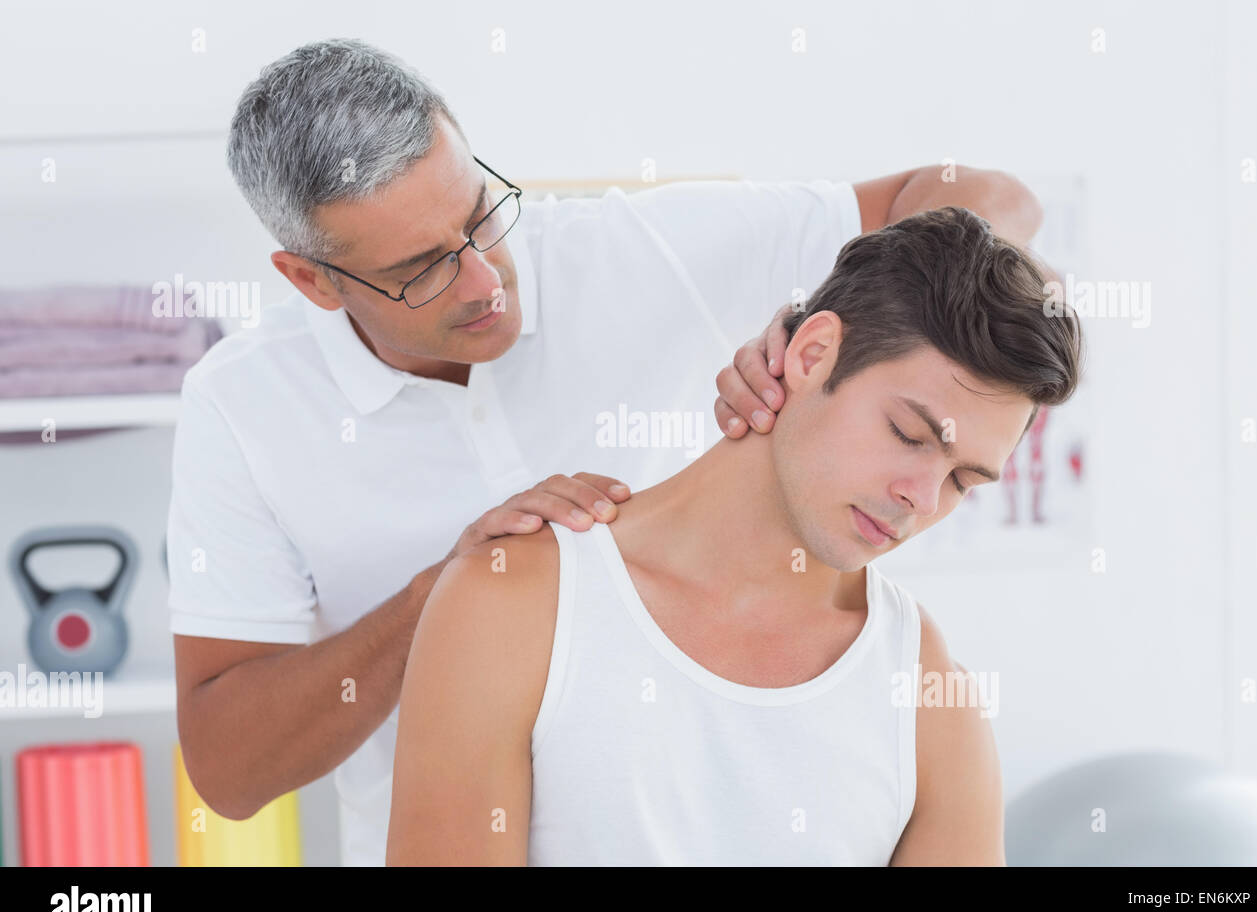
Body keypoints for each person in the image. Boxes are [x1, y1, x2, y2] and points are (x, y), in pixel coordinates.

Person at [168, 38, 1048, 866]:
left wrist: (813, 324)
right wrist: (433, 600)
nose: (485, 279)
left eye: (481, 215)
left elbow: (991, 196)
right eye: (422, 268)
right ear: (311, 279)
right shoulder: (243, 407)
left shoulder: (639, 252)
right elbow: (230, 772)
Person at [386, 206, 1084, 865]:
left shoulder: (931, 703)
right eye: (909, 435)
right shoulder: (514, 606)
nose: (922, 499)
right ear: (812, 355)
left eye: (963, 480)